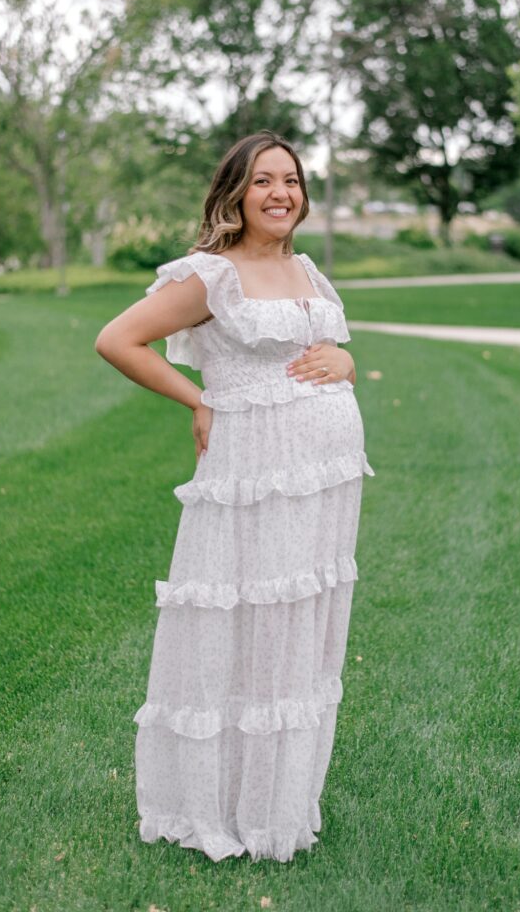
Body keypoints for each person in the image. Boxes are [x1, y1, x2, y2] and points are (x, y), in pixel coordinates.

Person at [94, 129, 375, 862]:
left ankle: (280, 801)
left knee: (299, 631)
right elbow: (118, 339)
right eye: (262, 181)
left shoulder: (307, 270)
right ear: (235, 194)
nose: (281, 193)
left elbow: (318, 356)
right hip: (254, 475)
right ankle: (220, 805)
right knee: (246, 623)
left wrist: (343, 360)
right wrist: (200, 400)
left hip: (325, 479)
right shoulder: (208, 275)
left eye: (291, 180)